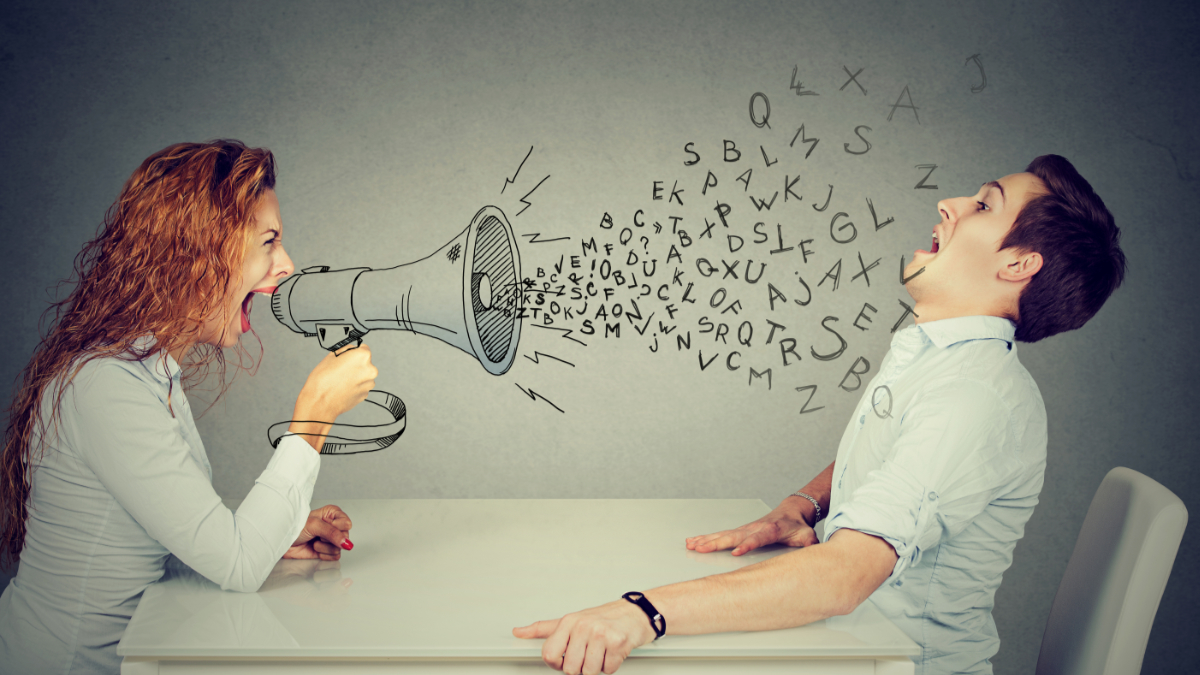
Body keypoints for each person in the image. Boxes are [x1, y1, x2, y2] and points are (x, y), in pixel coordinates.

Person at [513, 154, 1127, 675]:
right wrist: (802, 507)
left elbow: (841, 580)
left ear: (1018, 265)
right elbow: (896, 457)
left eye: (985, 207)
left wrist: (641, 612)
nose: (949, 204)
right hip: (849, 646)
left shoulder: (974, 396)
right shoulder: (944, 361)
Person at [0, 140, 378, 674]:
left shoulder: (147, 373)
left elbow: (162, 543)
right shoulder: (104, 387)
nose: (287, 266)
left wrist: (276, 533)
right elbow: (238, 564)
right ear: (197, 250)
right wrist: (315, 411)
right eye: (269, 241)